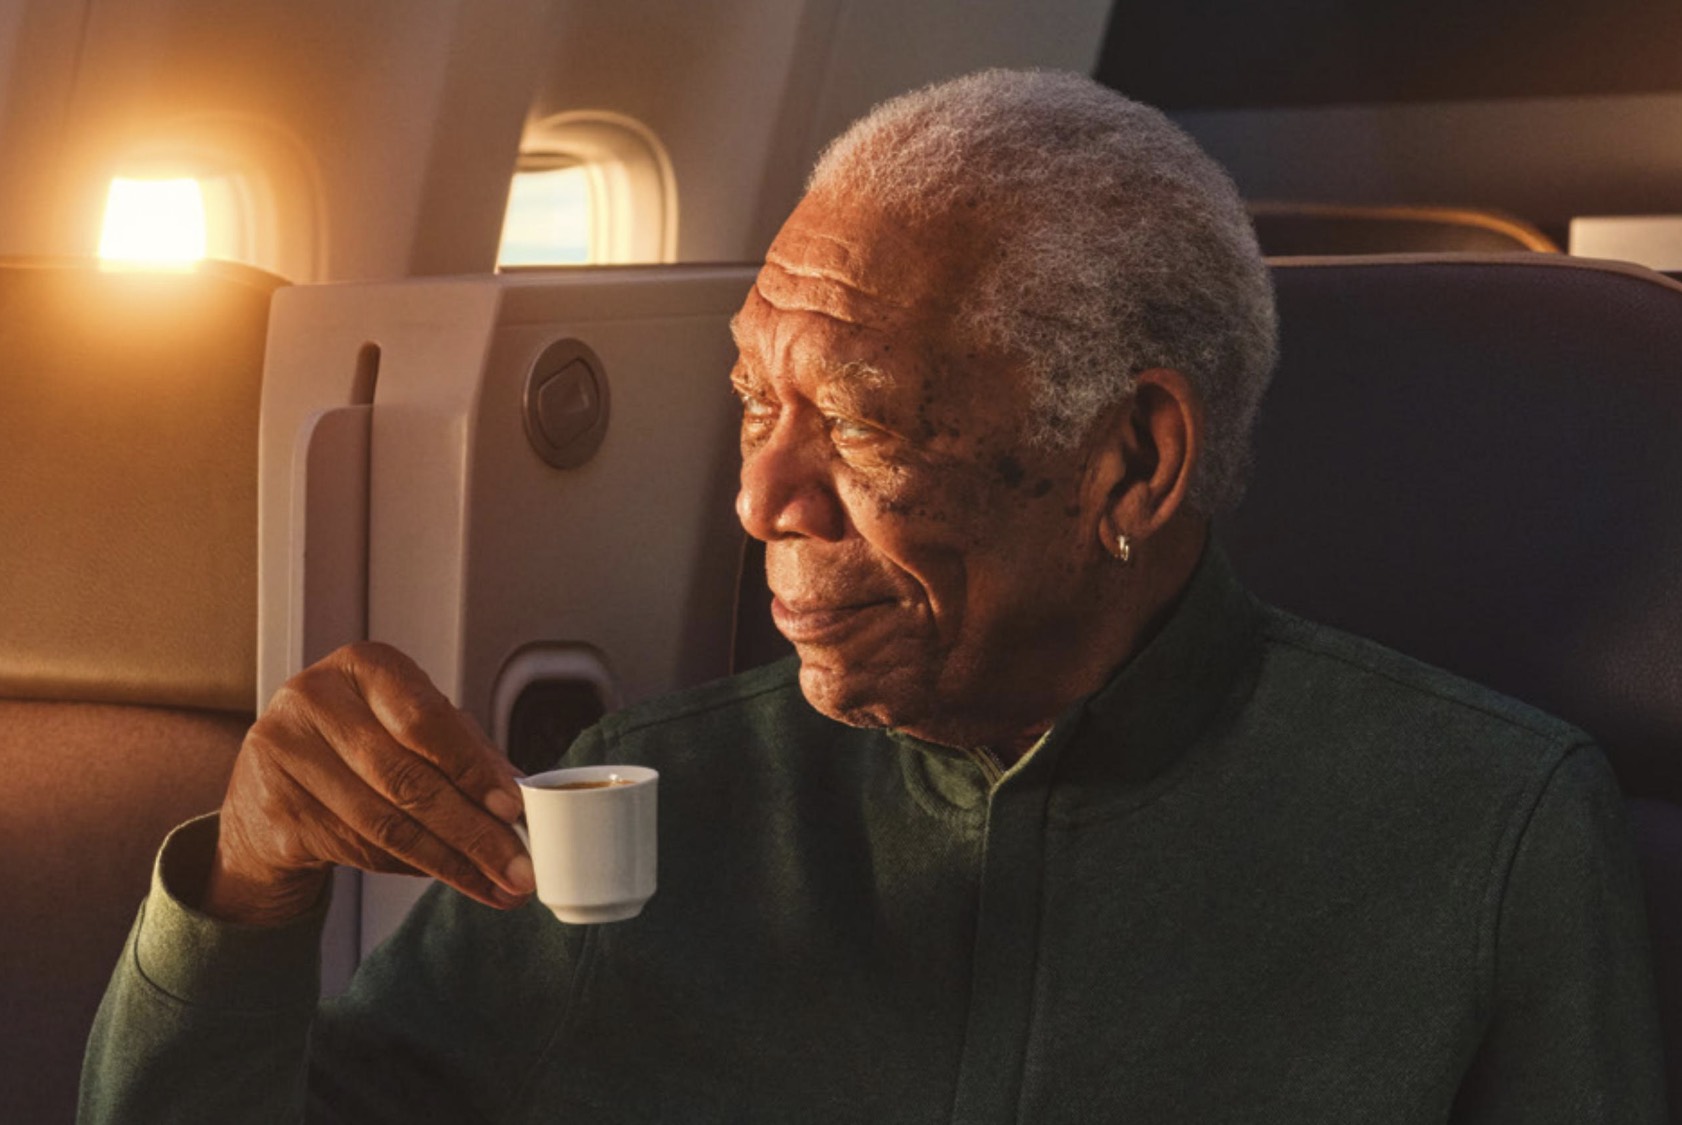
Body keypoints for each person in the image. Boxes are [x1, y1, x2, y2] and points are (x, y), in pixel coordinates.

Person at [80, 69, 1664, 1122]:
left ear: (1131, 464)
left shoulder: (1489, 835)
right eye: (754, 404)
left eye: (856, 424)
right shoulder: (664, 800)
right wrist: (248, 885)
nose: (759, 499)